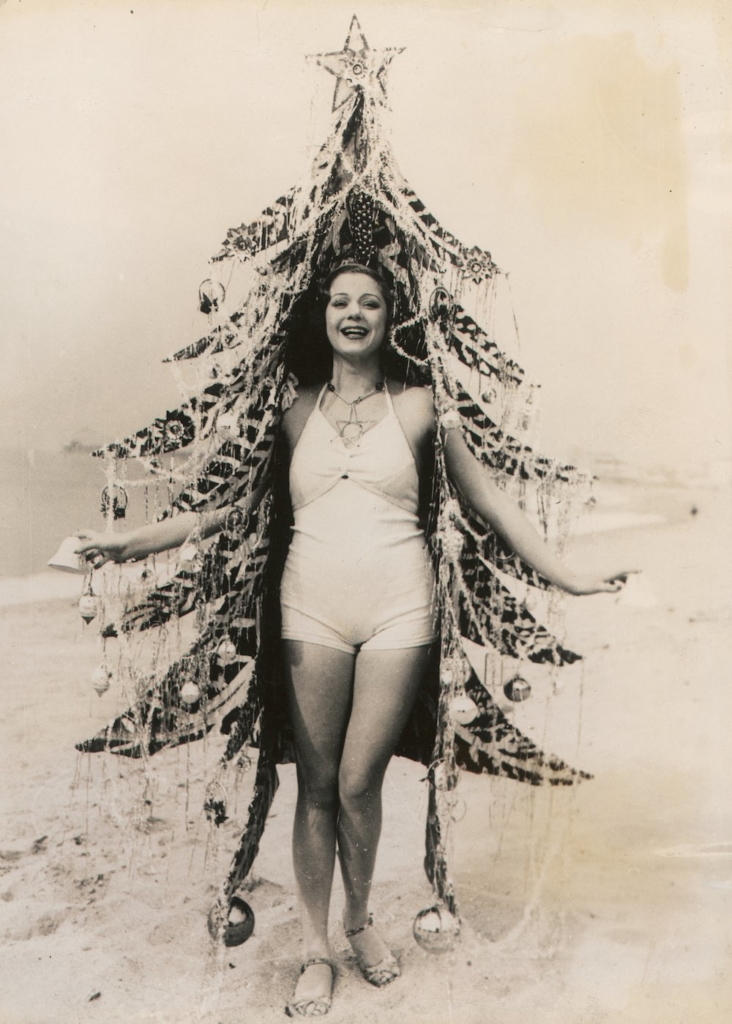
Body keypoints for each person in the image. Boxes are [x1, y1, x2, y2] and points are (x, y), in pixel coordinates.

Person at [75, 263, 630, 1018]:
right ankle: (315, 948)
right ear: (323, 316)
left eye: (369, 302)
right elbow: (223, 508)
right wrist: (131, 544)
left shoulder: (424, 407)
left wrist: (568, 576)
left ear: (388, 316)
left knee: (361, 781)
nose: (354, 313)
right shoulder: (294, 412)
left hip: (402, 609)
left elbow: (491, 501)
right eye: (340, 302)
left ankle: (358, 920)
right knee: (317, 786)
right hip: (311, 611)